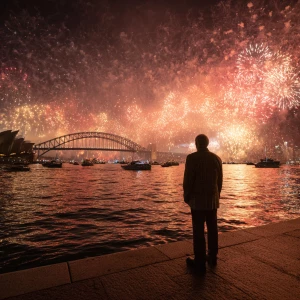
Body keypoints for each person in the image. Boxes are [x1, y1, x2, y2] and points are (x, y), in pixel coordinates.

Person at [183, 134, 223, 274]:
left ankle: (199, 261)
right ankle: (213, 256)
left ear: (196, 143)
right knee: (212, 228)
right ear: (207, 143)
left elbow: (188, 180)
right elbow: (220, 182)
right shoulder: (216, 158)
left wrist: (186, 196)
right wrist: (217, 196)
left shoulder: (192, 158)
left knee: (198, 230)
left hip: (197, 201)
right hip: (213, 200)